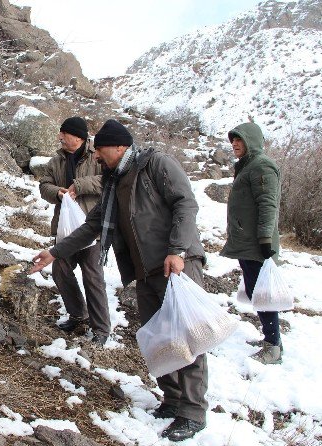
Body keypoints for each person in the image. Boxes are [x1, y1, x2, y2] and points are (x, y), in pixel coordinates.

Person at [30, 119, 208, 442]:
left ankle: (193, 411)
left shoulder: (156, 165)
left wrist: (178, 249)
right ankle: (172, 399)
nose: (96, 156)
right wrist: (55, 253)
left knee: (185, 334)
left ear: (119, 147)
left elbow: (186, 202)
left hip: (176, 263)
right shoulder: (114, 183)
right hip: (146, 271)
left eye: (100, 150)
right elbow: (90, 227)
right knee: (158, 336)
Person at [38, 116, 111, 346]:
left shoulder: (97, 155)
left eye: (64, 134)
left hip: (92, 228)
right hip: (65, 228)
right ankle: (78, 314)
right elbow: (44, 185)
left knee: (93, 276)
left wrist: (79, 186)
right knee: (60, 268)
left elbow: (107, 180)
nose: (60, 137)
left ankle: (101, 329)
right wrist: (57, 193)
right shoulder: (57, 159)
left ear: (78, 137)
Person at [220, 122, 283, 364]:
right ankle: (272, 340)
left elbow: (268, 204)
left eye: (240, 139)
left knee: (264, 294)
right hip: (247, 241)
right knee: (257, 292)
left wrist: (266, 238)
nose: (235, 144)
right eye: (233, 140)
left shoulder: (262, 166)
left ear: (252, 141)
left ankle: (273, 347)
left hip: (258, 244)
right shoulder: (247, 166)